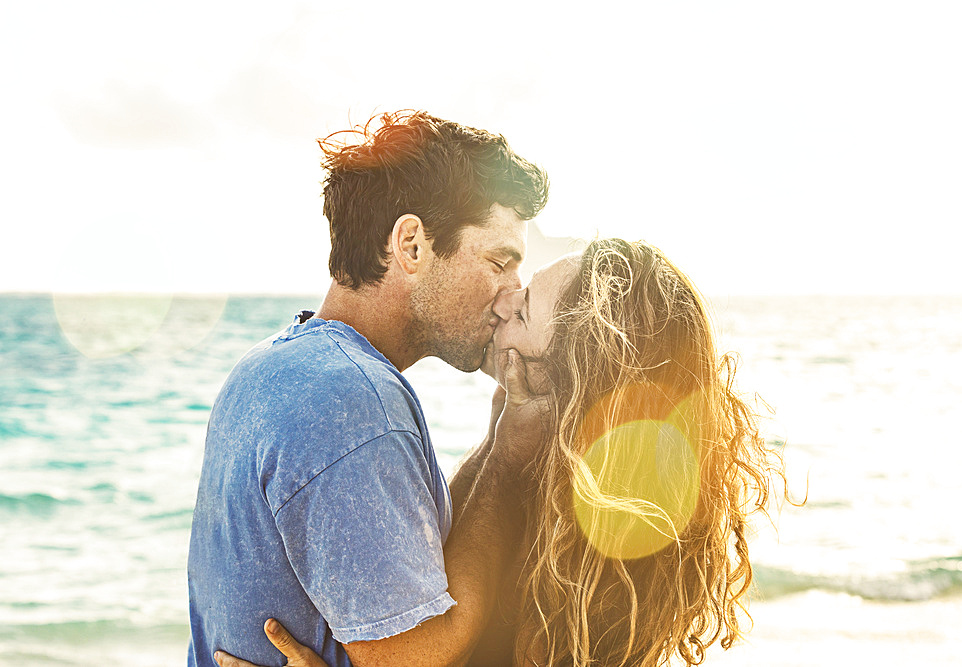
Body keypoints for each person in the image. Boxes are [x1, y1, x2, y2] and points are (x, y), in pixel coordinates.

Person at [214, 239, 789, 666]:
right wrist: (501, 433)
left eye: (524, 311)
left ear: (569, 380)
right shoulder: (557, 472)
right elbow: (443, 562)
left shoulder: (590, 553)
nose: (503, 302)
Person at [187, 110, 551, 666]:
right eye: (499, 263)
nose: (510, 295)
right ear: (411, 245)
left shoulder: (274, 367)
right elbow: (415, 658)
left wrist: (502, 429)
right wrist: (504, 464)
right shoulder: (353, 402)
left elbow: (411, 571)